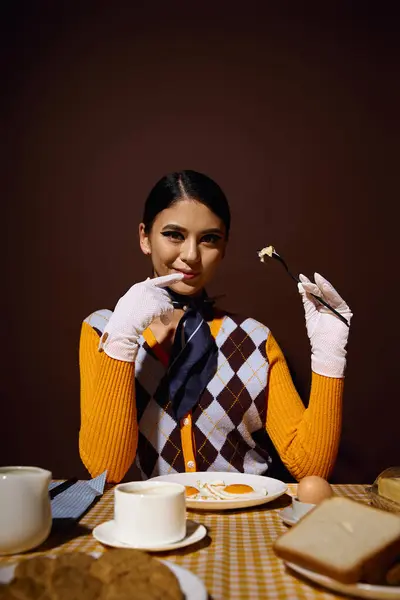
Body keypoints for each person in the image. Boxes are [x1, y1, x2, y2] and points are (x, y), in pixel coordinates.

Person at [79, 170, 352, 484]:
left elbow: (310, 469)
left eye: (209, 239)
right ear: (145, 237)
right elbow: (105, 469)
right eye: (174, 234)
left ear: (224, 247)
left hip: (245, 523)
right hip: (155, 525)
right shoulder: (104, 330)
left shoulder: (255, 339)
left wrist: (329, 353)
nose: (191, 255)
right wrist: (123, 336)